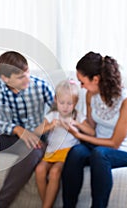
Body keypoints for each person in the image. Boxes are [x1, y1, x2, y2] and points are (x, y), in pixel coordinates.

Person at [62, 51, 127, 208]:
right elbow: (91, 129)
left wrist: (78, 135)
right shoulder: (92, 96)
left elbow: (114, 143)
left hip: (123, 151)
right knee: (76, 152)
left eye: (82, 82)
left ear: (95, 79)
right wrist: (75, 123)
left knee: (99, 154)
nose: (82, 87)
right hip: (98, 147)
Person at [0, 51, 55, 208]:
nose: (27, 78)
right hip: (7, 135)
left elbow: (60, 111)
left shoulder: (40, 86)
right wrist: (16, 129)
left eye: (27, 72)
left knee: (33, 151)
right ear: (5, 78)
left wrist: (44, 127)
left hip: (33, 137)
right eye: (21, 76)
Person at [34, 79, 95, 208]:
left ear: (76, 103)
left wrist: (76, 124)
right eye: (62, 103)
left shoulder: (77, 116)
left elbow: (91, 132)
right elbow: (37, 131)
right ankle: (47, 204)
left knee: (54, 173)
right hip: (51, 152)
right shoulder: (53, 115)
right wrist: (50, 126)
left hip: (67, 154)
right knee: (39, 170)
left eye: (69, 103)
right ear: (56, 100)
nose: (65, 107)